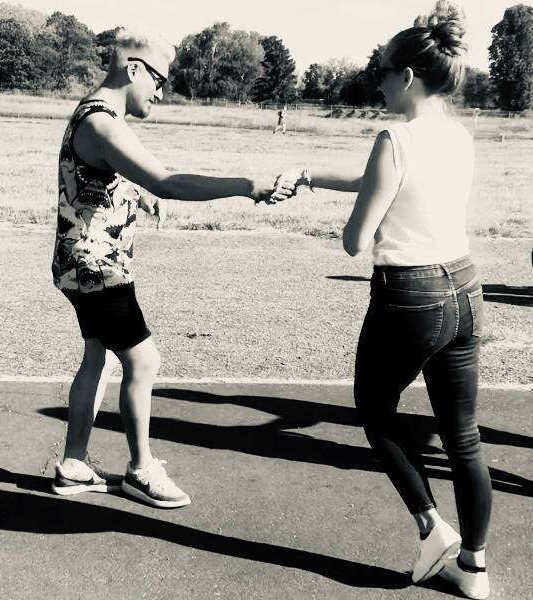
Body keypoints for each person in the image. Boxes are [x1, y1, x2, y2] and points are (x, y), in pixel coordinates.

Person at [274, 7, 492, 600]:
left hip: (410, 294)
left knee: (373, 409)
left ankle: (431, 528)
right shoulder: (459, 135)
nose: (379, 82)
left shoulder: (394, 138)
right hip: (465, 286)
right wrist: (313, 176)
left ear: (409, 77)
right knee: (463, 436)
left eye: (384, 72)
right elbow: (390, 181)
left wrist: (347, 218)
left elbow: (356, 240)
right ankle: (474, 569)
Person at [51, 30, 294, 509]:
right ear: (133, 69)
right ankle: (141, 470)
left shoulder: (94, 112)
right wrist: (247, 185)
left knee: (98, 357)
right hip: (99, 269)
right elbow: (169, 181)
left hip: (80, 263)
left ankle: (74, 464)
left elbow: (95, 172)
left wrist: (136, 195)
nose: (161, 93)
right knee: (144, 362)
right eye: (159, 81)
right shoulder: (104, 124)